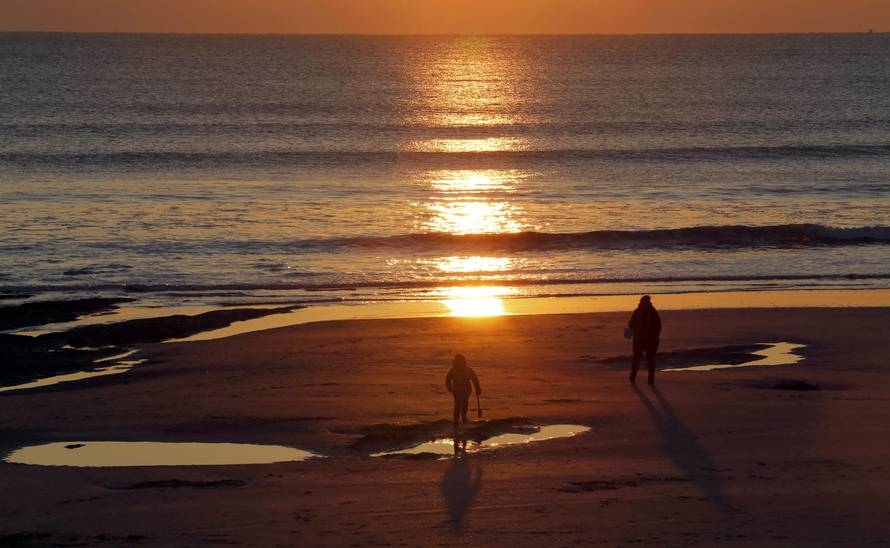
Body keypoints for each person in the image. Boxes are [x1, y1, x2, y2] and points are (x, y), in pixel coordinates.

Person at [628, 295, 661, 386]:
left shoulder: (638, 311)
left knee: (637, 359)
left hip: (640, 340)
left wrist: (635, 330)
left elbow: (630, 324)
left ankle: (633, 376)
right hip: (650, 340)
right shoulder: (652, 312)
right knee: (650, 360)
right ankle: (650, 380)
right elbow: (658, 327)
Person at [445, 354, 481, 430]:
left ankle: (463, 417)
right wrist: (449, 388)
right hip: (457, 390)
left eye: (461, 361)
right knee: (457, 405)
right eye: (459, 361)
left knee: (464, 404)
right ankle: (456, 420)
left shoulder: (467, 370)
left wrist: (477, 388)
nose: (460, 362)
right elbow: (447, 380)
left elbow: (474, 379)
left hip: (466, 390)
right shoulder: (454, 370)